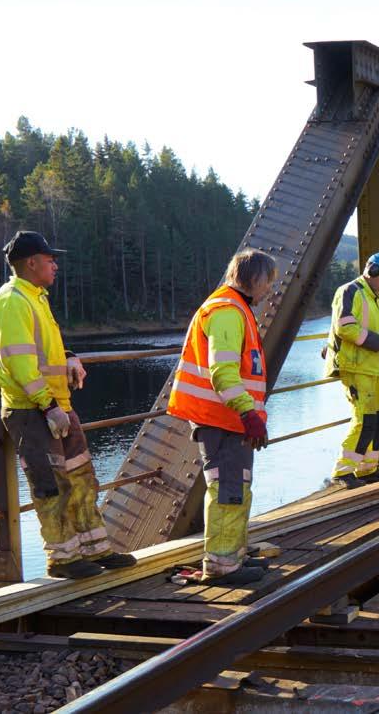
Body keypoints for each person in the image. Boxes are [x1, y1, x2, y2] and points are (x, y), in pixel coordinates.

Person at [0, 231, 136, 579]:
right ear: (31, 263)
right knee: (51, 485)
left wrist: (68, 357)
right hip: (32, 410)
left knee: (82, 477)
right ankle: (63, 559)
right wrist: (48, 404)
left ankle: (95, 549)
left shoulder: (36, 297)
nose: (55, 265)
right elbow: (19, 363)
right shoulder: (11, 301)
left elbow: (41, 352)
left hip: (57, 406)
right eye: (50, 259)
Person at [168, 249, 276, 586]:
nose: (270, 290)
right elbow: (223, 373)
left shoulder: (235, 309)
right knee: (228, 488)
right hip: (222, 419)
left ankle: (232, 555)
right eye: (268, 282)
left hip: (228, 420)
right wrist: (249, 413)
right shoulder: (228, 312)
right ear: (255, 279)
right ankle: (222, 566)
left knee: (236, 487)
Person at [324, 251, 379, 483]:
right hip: (356, 368)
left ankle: (367, 468)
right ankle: (344, 470)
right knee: (364, 419)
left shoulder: (373, 299)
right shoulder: (350, 291)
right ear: (373, 270)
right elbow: (344, 328)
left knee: (376, 419)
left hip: (371, 368)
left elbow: (367, 332)